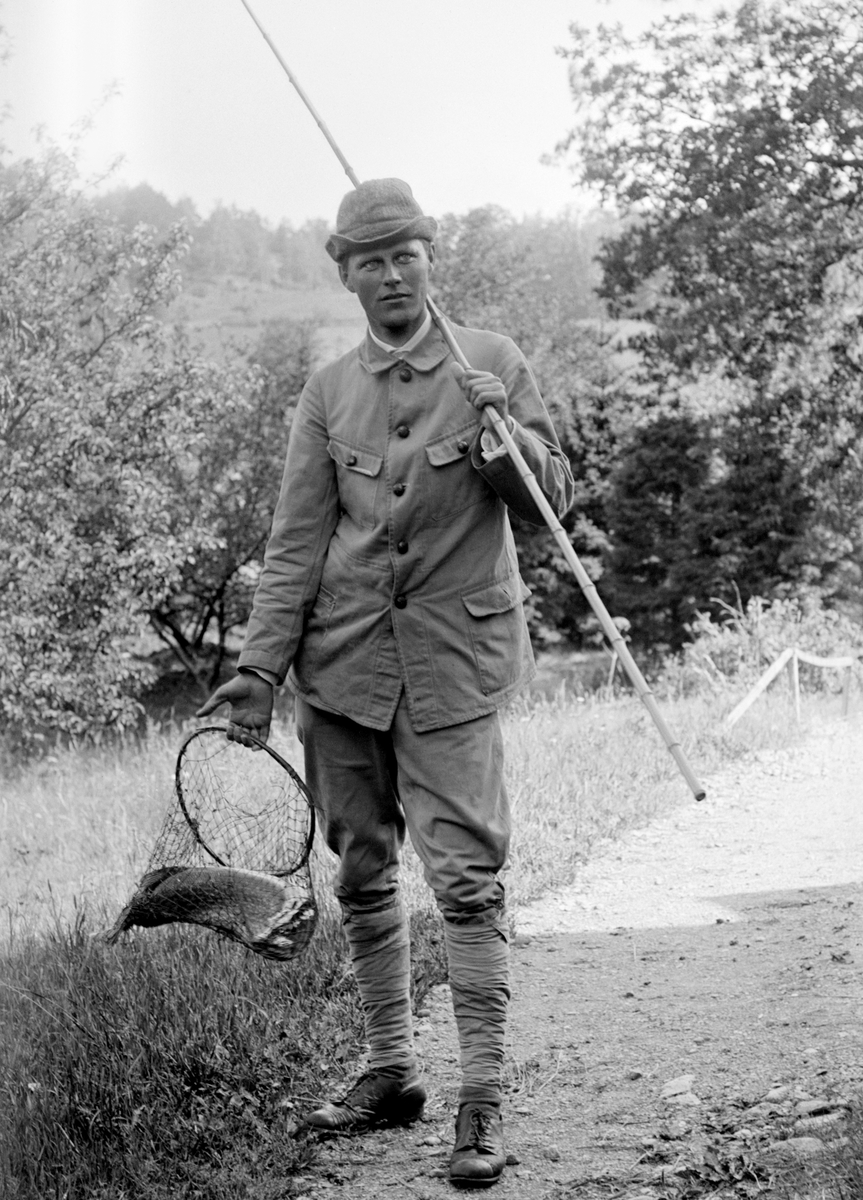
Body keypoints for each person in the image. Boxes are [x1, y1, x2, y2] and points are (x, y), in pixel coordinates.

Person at [198, 178, 574, 1188]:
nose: (391, 272)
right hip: (342, 670)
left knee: (466, 878)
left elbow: (551, 503)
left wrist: (509, 444)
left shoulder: (491, 362)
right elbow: (293, 546)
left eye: (405, 253)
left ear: (428, 259)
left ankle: (481, 1101)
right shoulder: (328, 393)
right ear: (345, 275)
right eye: (369, 260)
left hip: (454, 666)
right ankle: (389, 1071)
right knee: (362, 869)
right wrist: (257, 672)